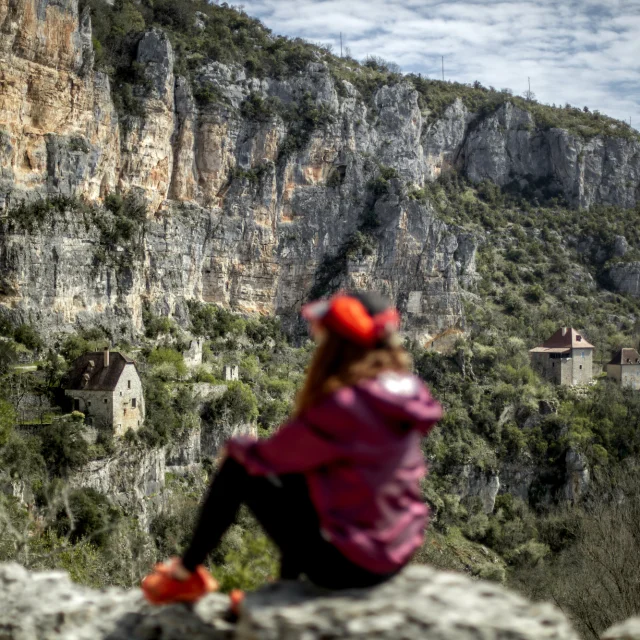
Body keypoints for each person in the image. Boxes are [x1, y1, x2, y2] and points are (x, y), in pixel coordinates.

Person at [142, 291, 443, 605]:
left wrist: (240, 445)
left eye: (324, 331)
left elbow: (268, 458)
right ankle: (285, 587)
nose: (315, 337)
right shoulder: (406, 390)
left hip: (349, 567)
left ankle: (184, 576)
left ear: (339, 343)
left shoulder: (345, 407)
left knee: (238, 466)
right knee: (307, 478)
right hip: (396, 553)